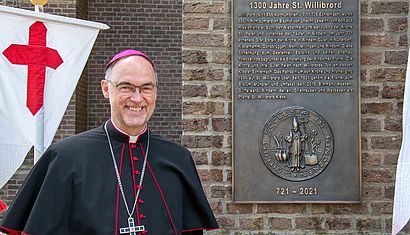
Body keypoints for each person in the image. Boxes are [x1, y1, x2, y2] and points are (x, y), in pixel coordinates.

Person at [0, 49, 219, 235]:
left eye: (146, 88)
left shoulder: (178, 158)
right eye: (126, 87)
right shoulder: (65, 157)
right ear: (106, 88)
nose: (137, 98)